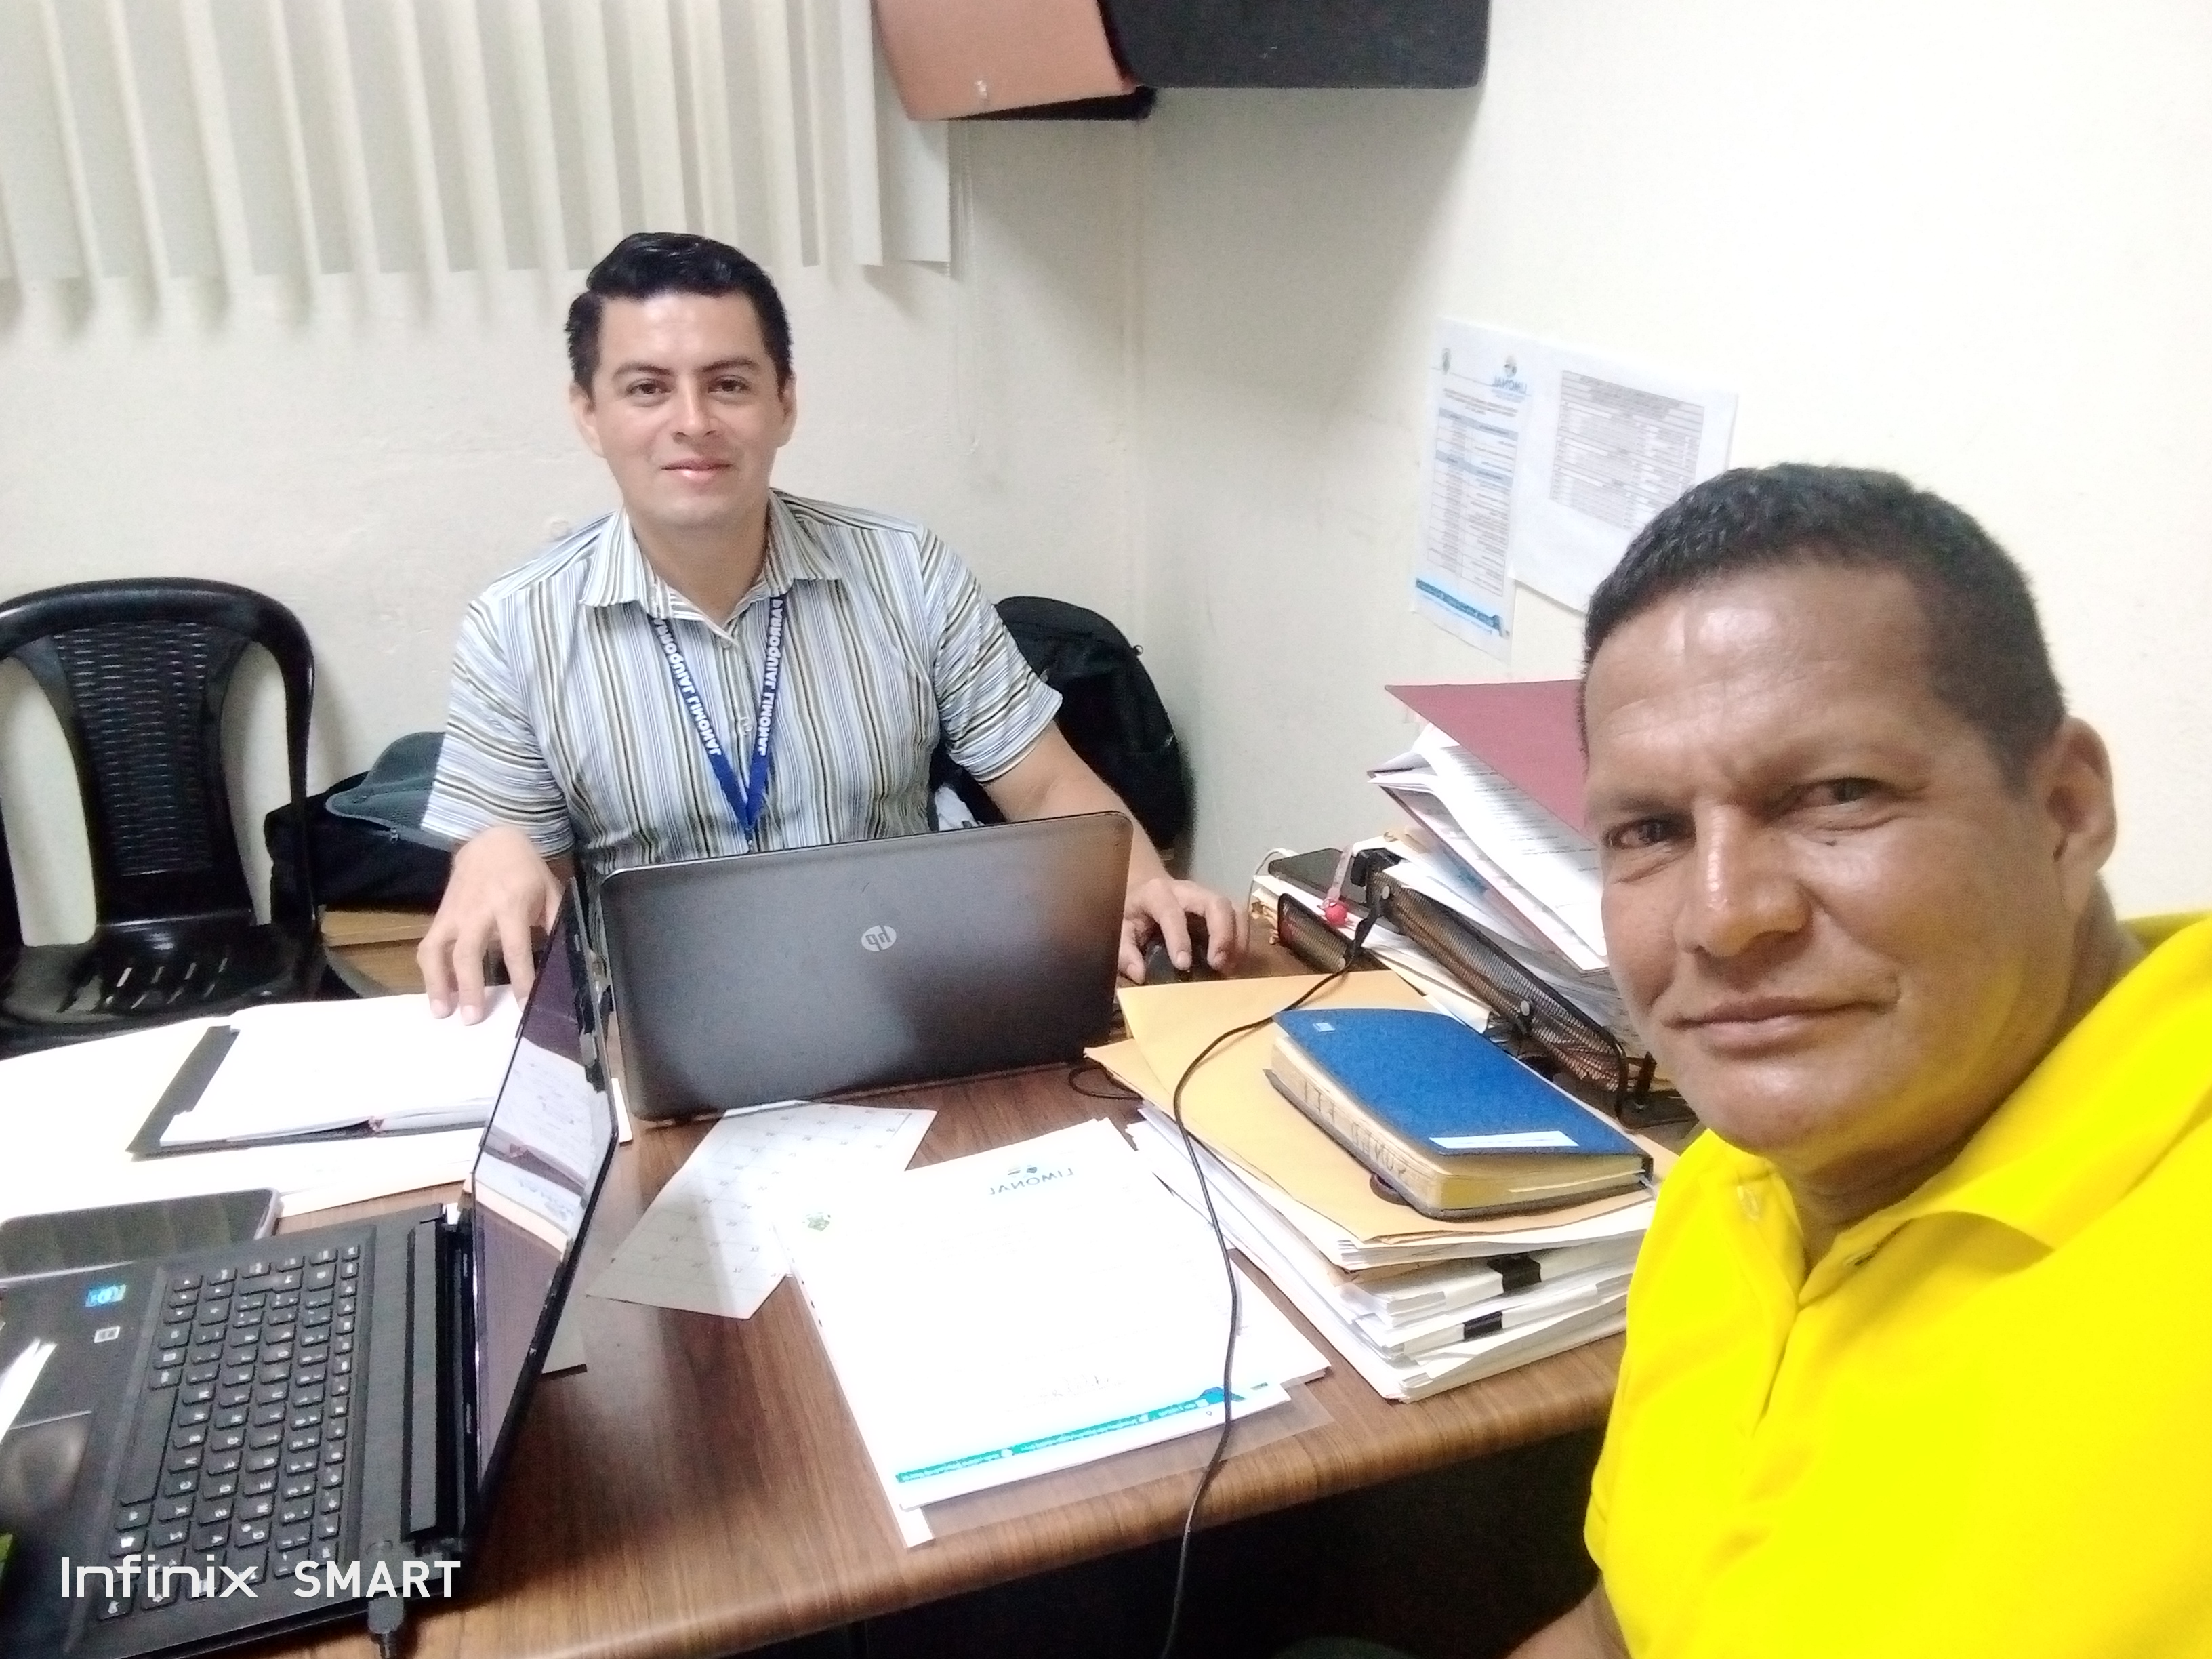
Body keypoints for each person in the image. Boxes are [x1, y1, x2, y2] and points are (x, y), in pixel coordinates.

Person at [1506, 464, 2211, 1657]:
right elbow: (1628, 1628)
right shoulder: (1726, 1185)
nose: (1723, 916)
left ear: (2062, 809)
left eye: (1836, 794)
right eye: (1650, 831)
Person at [415, 232, 1244, 1017]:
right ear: (589, 415)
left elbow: (1047, 787)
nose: (693, 420)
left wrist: (1144, 890)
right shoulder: (515, 627)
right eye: (647, 388)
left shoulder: (906, 570)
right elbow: (515, 869)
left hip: (909, 995)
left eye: (729, 384)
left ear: (785, 403)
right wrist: (495, 852)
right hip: (666, 1023)